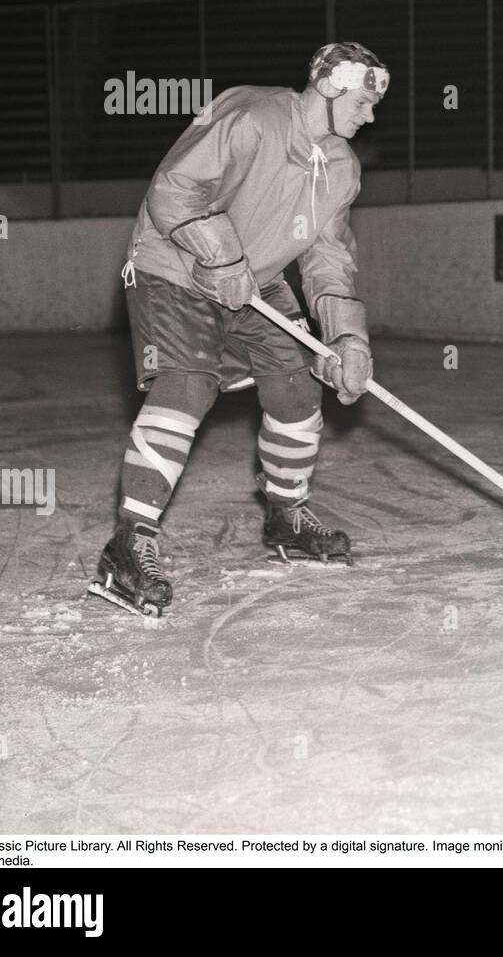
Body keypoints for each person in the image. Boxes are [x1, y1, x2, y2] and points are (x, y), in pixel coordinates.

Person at [88, 42, 389, 617]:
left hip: (258, 279)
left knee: (298, 386)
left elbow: (327, 256)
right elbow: (173, 188)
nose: (370, 114)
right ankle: (130, 542)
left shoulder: (344, 168)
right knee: (187, 385)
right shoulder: (250, 116)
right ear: (328, 87)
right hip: (173, 267)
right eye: (363, 100)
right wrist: (220, 256)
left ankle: (286, 515)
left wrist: (347, 338)